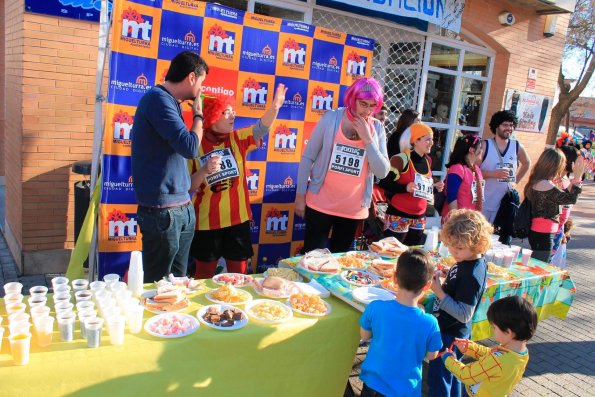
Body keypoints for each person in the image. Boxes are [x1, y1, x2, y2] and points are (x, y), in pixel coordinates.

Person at [189, 84, 287, 278]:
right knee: (203, 279)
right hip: (207, 224)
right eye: (226, 112)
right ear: (213, 114)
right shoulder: (195, 144)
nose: (232, 116)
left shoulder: (237, 138)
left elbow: (261, 128)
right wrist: (203, 171)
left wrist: (275, 107)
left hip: (238, 221)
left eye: (233, 111)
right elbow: (188, 186)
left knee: (240, 278)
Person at [131, 51, 208, 283]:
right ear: (192, 77)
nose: (201, 91)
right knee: (158, 286)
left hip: (181, 207)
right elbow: (190, 147)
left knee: (177, 283)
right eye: (202, 82)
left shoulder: (170, 102)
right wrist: (198, 116)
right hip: (163, 212)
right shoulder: (157, 99)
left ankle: (176, 320)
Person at [295, 77, 390, 253]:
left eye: (372, 106)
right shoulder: (332, 118)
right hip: (320, 204)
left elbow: (382, 171)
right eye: (363, 104)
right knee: (312, 259)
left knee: (341, 265)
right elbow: (308, 157)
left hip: (352, 210)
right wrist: (300, 196)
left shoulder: (377, 129)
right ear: (352, 99)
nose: (367, 111)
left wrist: (368, 141)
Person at [359, 248, 442, 397]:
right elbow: (431, 356)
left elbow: (364, 336)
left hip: (372, 384)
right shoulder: (430, 323)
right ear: (428, 286)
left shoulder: (375, 307)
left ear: (394, 278)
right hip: (405, 390)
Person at [428, 209, 490, 397]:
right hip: (453, 332)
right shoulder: (467, 261)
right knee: (453, 375)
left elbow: (464, 313)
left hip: (451, 334)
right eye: (451, 246)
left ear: (478, 244)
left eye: (459, 248)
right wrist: (450, 273)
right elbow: (461, 278)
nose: (454, 251)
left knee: (440, 380)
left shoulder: (472, 275)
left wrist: (439, 291)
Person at [441, 296, 538, 397]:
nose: (492, 330)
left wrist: (449, 359)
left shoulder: (498, 360)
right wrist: (469, 348)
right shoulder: (520, 354)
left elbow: (467, 375)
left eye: (494, 327)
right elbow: (491, 354)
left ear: (508, 332)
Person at [378, 123, 444, 246]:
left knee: (411, 258)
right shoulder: (401, 159)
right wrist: (405, 188)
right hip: (399, 216)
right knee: (392, 256)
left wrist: (434, 188)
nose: (431, 143)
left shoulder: (427, 160)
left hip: (419, 218)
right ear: (416, 141)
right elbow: (384, 183)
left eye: (432, 139)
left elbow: (421, 189)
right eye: (427, 139)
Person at [524, 148, 588, 263]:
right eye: (562, 162)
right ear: (554, 164)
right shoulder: (544, 184)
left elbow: (563, 199)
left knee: (540, 264)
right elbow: (570, 199)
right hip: (542, 233)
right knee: (540, 266)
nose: (564, 165)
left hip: (541, 231)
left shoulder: (542, 182)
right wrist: (577, 178)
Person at [480, 110, 531, 224]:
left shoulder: (516, 146)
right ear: (496, 126)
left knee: (501, 239)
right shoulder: (485, 145)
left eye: (511, 125)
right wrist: (493, 174)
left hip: (505, 203)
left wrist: (516, 181)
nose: (509, 128)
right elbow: (473, 172)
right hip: (484, 202)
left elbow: (527, 163)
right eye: (505, 125)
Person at [442, 134, 484, 220]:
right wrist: (456, 219)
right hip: (457, 221)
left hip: (470, 219)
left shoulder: (476, 169)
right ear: (472, 150)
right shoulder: (457, 168)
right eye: (480, 148)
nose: (482, 150)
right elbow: (451, 196)